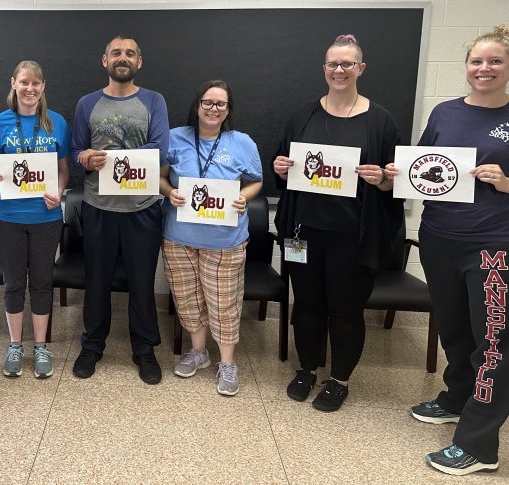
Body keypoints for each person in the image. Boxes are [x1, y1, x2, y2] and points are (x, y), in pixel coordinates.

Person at [398, 26, 509, 476]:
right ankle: (458, 396)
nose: (484, 69)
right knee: (456, 331)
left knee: (495, 343)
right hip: (439, 238)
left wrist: (505, 181)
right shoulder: (445, 112)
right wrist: (393, 175)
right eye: (476, 61)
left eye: (495, 61)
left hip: (493, 246)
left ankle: (480, 445)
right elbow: (422, 168)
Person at [273, 34, 403, 412]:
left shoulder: (380, 120)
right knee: (308, 305)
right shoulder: (303, 116)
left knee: (345, 310)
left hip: (353, 236)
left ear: (360, 69)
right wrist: (279, 168)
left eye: (347, 64)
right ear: (324, 69)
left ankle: (339, 379)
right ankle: (307, 369)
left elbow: (397, 179)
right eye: (333, 63)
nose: (339, 70)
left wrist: (382, 177)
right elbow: (282, 164)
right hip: (303, 232)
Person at [71, 35, 169, 384]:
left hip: (142, 208)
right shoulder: (87, 103)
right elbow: (75, 151)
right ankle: (92, 345)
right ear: (105, 60)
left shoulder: (154, 101)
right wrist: (83, 157)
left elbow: (161, 149)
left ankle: (144, 349)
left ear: (138, 62)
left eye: (129, 53)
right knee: (96, 280)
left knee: (142, 283)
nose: (122, 58)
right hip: (98, 206)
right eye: (116, 53)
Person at [160, 80, 263, 396]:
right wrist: (170, 191)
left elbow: (256, 181)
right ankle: (199, 353)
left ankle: (228, 363)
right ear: (197, 105)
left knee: (223, 304)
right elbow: (160, 177)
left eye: (221, 104)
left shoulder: (242, 142)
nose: (213, 109)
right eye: (208, 102)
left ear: (228, 109)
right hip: (179, 237)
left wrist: (245, 197)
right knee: (188, 300)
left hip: (225, 239)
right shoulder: (175, 137)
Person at [0, 61, 70, 379]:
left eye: (36, 83)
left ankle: (41, 347)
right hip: (8, 217)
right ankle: (15, 345)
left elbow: (64, 168)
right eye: (24, 82)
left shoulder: (56, 123)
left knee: (42, 282)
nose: (30, 88)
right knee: (13, 284)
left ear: (43, 86)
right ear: (14, 84)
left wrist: (60, 191)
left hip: (46, 216)